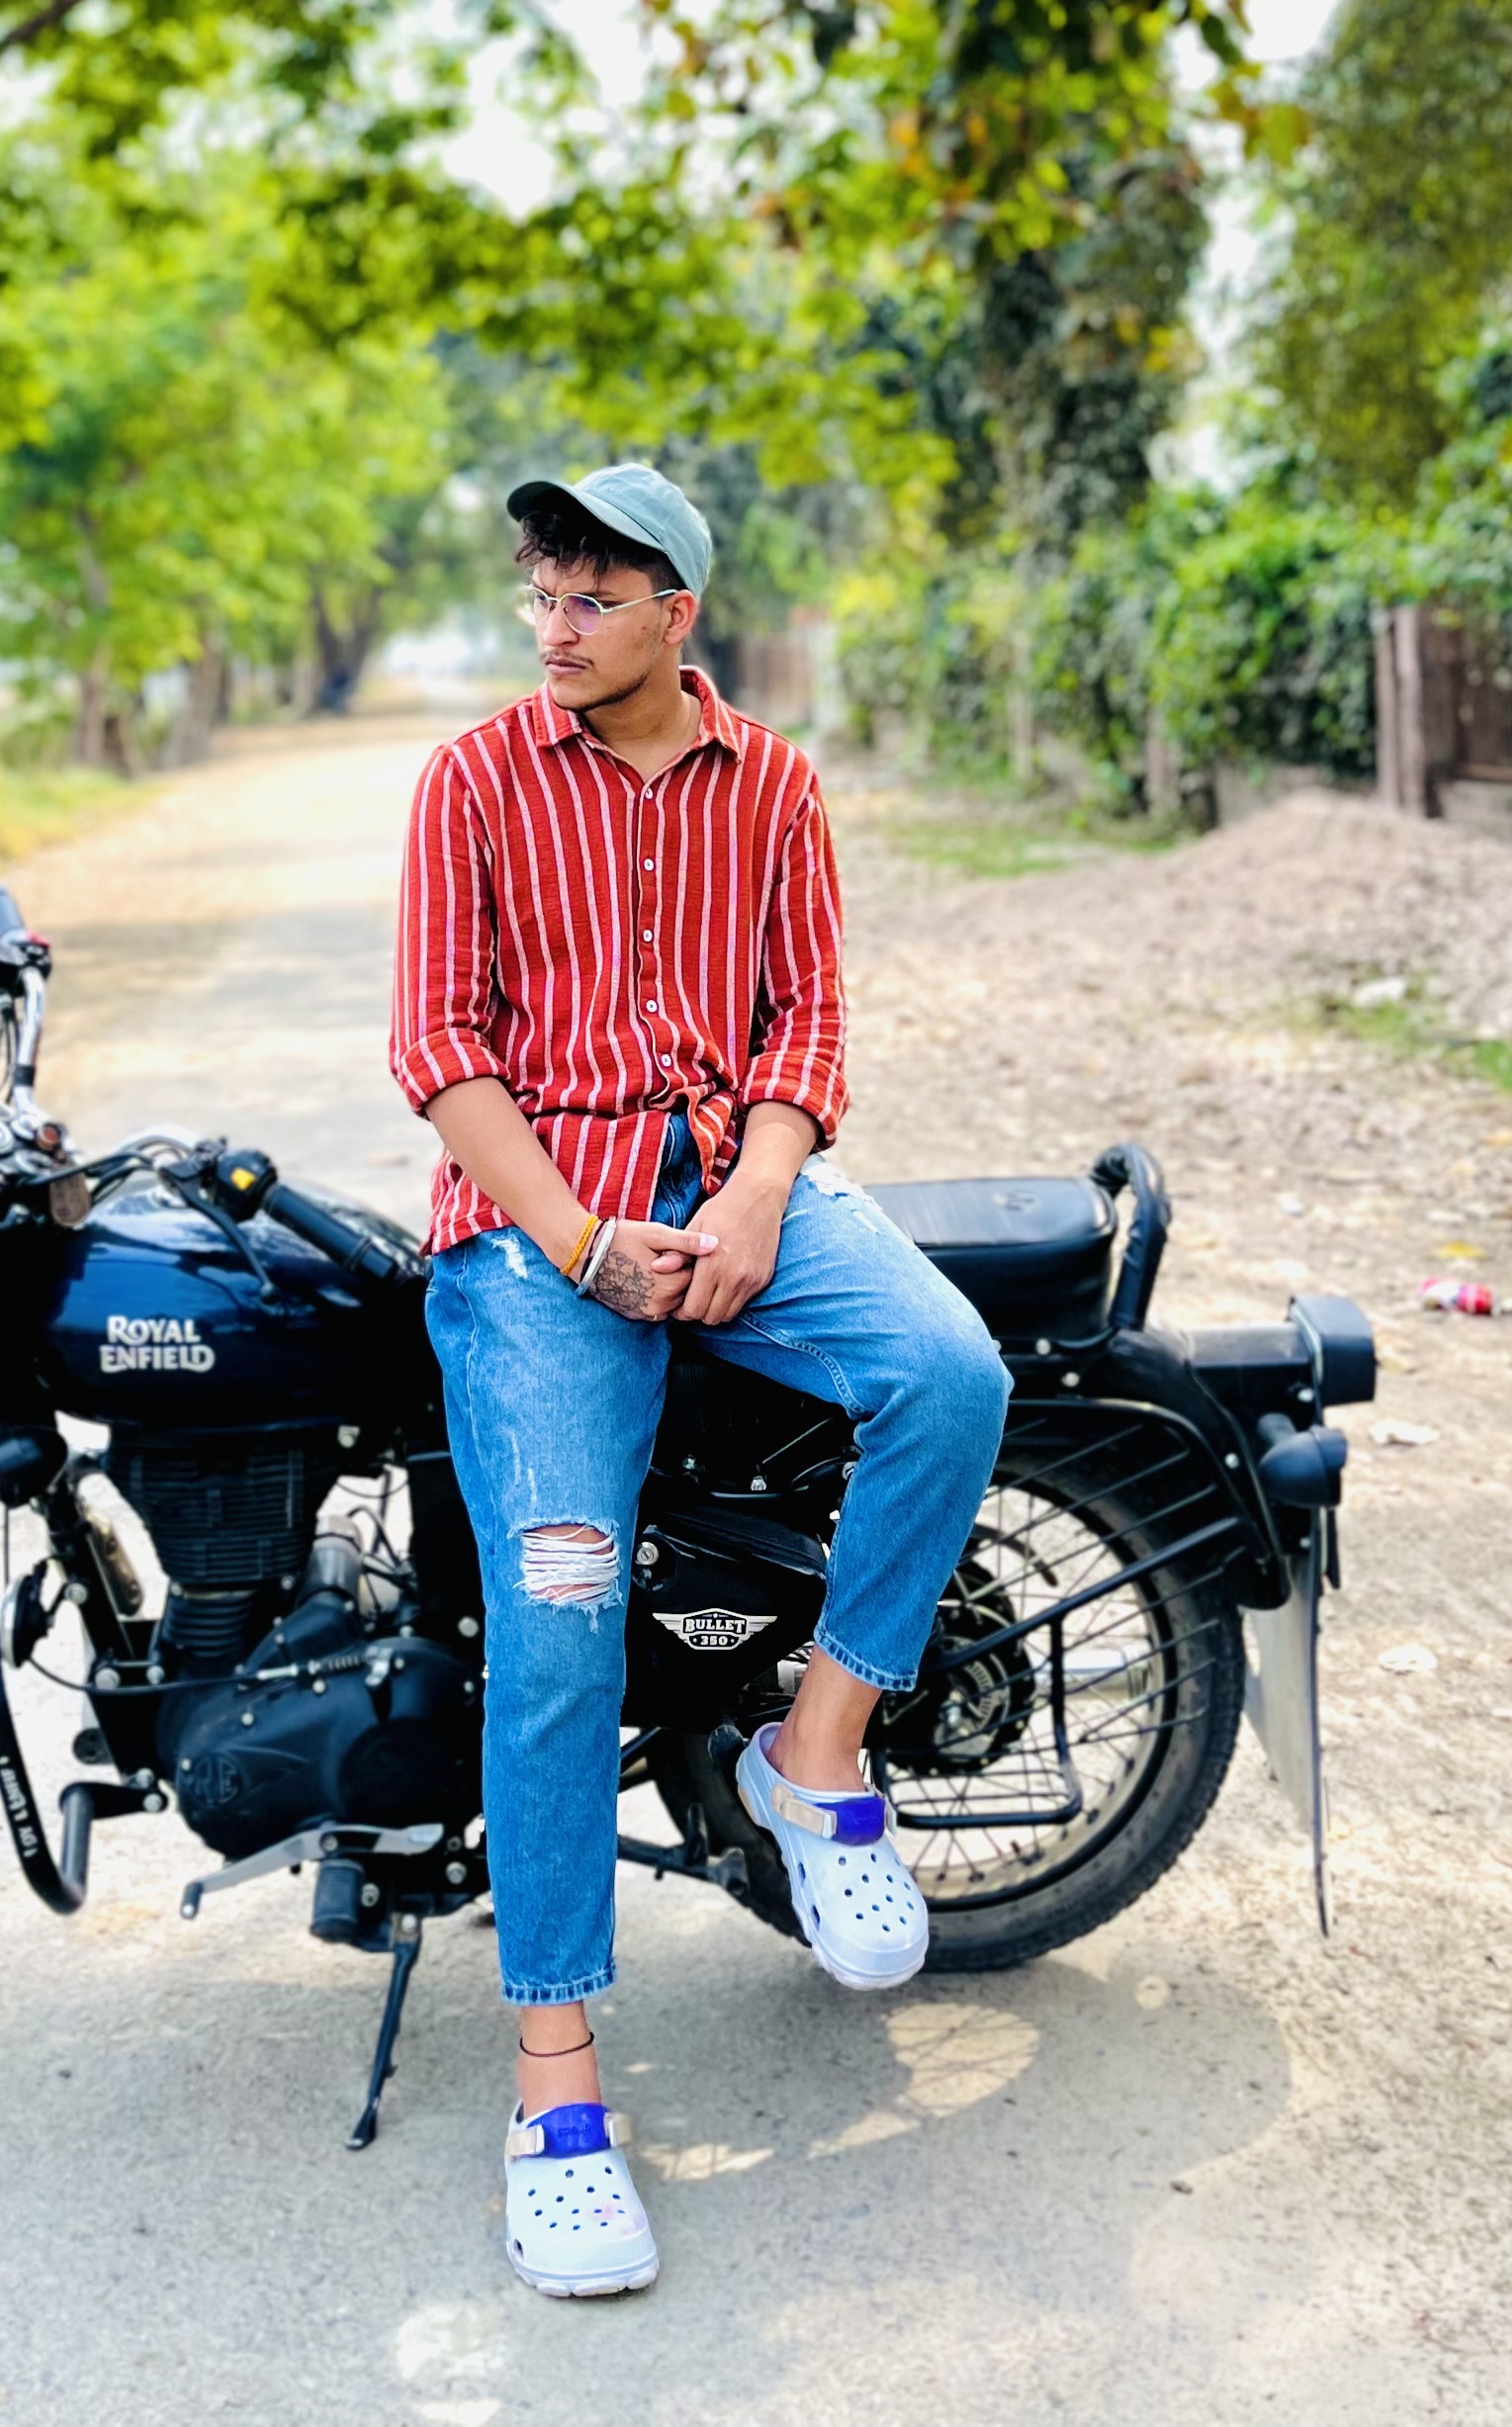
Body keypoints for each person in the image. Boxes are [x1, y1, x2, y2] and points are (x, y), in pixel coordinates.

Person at [390, 462, 1012, 2298]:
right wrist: (585, 1242)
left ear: (680, 611)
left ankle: (814, 1755)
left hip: (743, 1192)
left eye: (595, 594)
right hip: (543, 1232)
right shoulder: (475, 779)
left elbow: (806, 1022)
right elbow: (438, 1049)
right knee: (560, 1608)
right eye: (542, 591)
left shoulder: (776, 783)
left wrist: (751, 1197)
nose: (556, 623)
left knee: (950, 1373)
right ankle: (557, 2089)